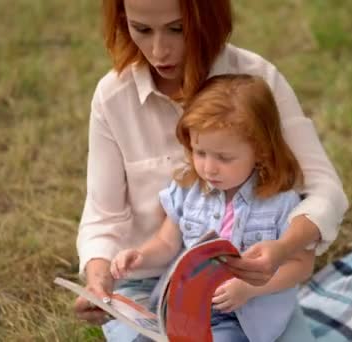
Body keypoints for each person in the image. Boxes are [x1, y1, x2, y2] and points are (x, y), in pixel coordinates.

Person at [74, 0, 348, 340]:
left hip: (251, 292)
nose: (159, 51)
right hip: (151, 283)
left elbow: (325, 191)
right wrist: (100, 278)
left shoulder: (257, 80)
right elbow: (103, 216)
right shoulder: (113, 97)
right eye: (141, 29)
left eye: (178, 28)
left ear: (208, 17)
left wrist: (281, 249)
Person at [110, 74, 316, 342]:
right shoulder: (188, 190)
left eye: (224, 157)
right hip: (184, 310)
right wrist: (139, 256)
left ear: (261, 151)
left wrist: (248, 289)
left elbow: (301, 265)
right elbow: (166, 242)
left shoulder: (280, 202)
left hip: (243, 315)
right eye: (200, 152)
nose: (208, 167)